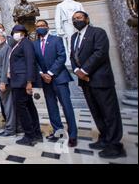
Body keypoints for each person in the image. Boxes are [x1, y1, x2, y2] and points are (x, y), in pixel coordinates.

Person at [70, 11, 126, 158]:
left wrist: (84, 70)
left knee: (109, 113)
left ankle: (115, 145)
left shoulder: (98, 32)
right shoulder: (74, 37)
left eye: (79, 18)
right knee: (96, 112)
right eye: (74, 19)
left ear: (87, 19)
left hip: (100, 80)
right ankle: (104, 138)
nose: (76, 20)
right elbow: (72, 56)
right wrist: (76, 70)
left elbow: (100, 53)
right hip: (85, 82)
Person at [34, 20, 78, 147]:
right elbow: (35, 61)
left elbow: (61, 57)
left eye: (42, 26)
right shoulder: (35, 43)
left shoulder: (56, 40)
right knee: (51, 107)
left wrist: (50, 73)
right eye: (37, 27)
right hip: (45, 80)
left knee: (66, 106)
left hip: (59, 78)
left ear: (47, 27)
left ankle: (73, 134)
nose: (39, 28)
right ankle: (58, 132)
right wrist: (42, 73)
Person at [9, 25, 41, 146]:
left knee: (22, 108)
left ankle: (29, 135)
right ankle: (36, 133)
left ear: (23, 33)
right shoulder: (17, 44)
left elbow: (30, 61)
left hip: (22, 81)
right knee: (29, 107)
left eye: (18, 31)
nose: (15, 33)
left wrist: (29, 81)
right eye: (14, 31)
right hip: (18, 80)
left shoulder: (26, 43)